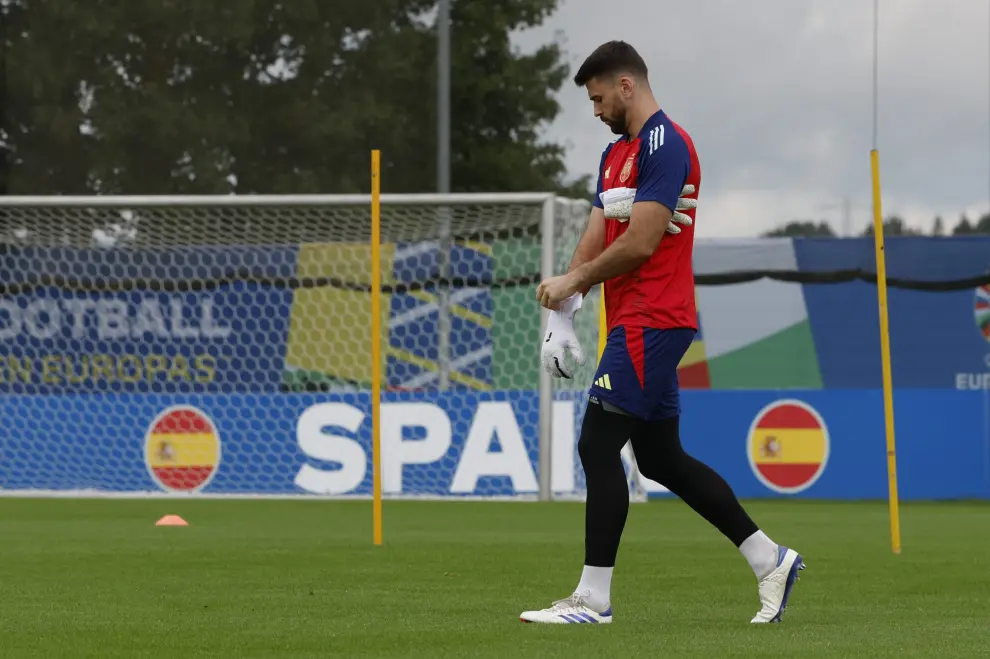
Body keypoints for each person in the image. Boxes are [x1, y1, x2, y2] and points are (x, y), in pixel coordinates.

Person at [522, 40, 804, 625]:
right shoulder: (613, 155)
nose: (595, 110)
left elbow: (644, 241)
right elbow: (598, 235)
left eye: (598, 98)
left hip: (656, 319)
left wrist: (572, 279)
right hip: (632, 321)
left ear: (627, 85)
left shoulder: (666, 144)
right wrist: (563, 312)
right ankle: (769, 560)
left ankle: (593, 599)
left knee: (596, 445)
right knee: (660, 459)